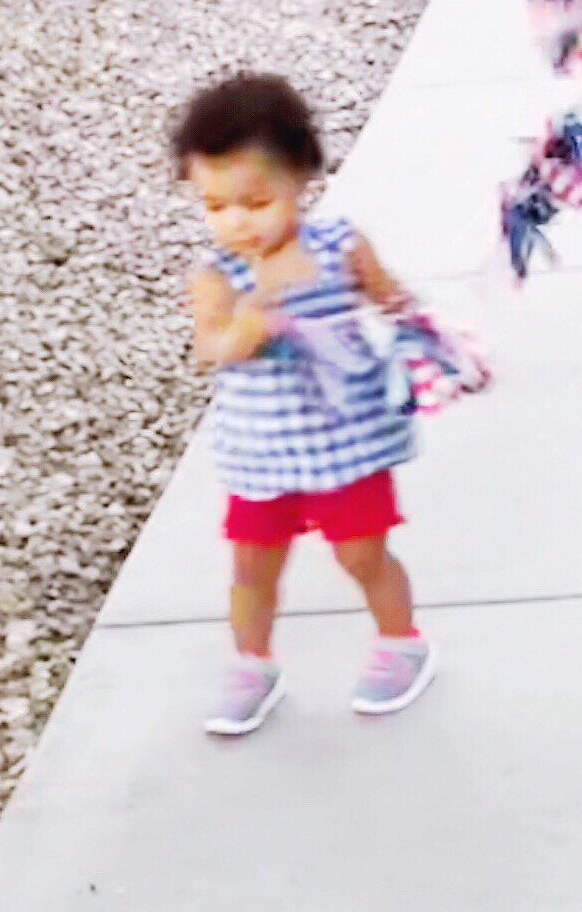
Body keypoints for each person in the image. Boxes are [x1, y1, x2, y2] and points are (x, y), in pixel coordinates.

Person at [175, 71, 437, 736]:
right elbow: (212, 347)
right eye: (214, 205)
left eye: (255, 201)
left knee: (362, 555)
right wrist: (257, 314)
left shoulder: (340, 245)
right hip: (262, 453)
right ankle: (252, 664)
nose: (235, 221)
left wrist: (419, 328)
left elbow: (390, 298)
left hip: (345, 444)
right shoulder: (218, 275)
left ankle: (402, 643)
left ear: (302, 180)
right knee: (252, 566)